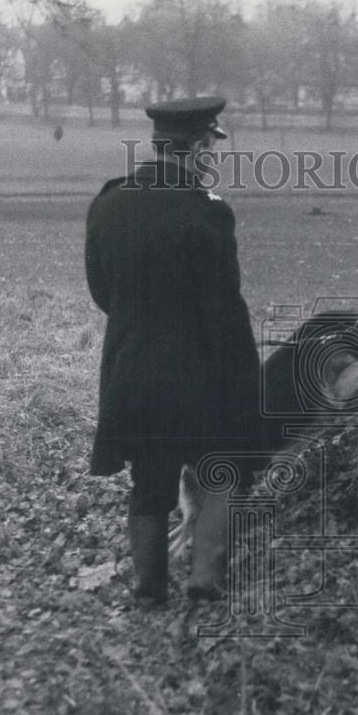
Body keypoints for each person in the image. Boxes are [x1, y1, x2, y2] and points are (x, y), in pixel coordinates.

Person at [85, 97, 262, 605]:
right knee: (220, 468)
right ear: (199, 146)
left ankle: (148, 591)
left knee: (149, 482)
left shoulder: (108, 201)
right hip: (198, 374)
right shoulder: (207, 212)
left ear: (158, 143)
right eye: (211, 147)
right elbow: (225, 308)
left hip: (131, 370)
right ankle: (204, 580)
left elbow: (103, 292)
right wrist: (243, 381)